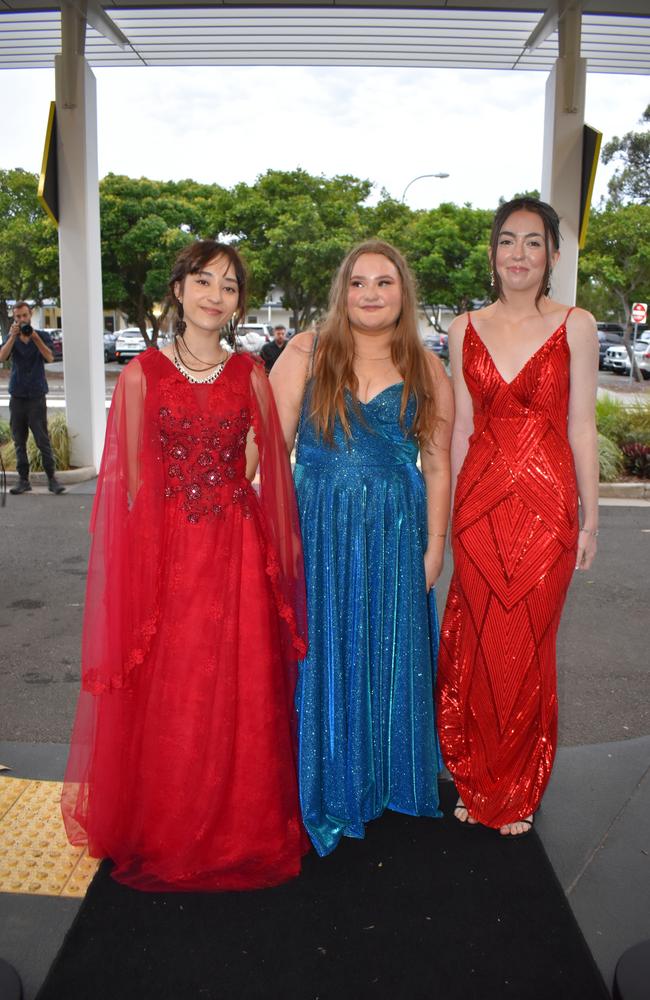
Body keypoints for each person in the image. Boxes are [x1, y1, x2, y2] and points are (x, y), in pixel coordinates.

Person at [62, 240, 308, 891]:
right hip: (170, 556)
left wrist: (219, 496)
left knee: (234, 686)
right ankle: (166, 824)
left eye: (229, 286)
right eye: (204, 281)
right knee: (173, 687)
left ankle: (236, 827)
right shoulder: (142, 372)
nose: (216, 295)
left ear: (238, 304)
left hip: (233, 555)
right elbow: (130, 480)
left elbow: (257, 462)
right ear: (178, 290)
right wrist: (160, 546)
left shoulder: (250, 372)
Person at [270, 240, 453, 856]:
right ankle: (322, 778)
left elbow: (438, 463)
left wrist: (435, 548)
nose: (371, 293)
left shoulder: (428, 367)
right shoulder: (306, 351)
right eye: (358, 282)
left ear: (404, 293)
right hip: (317, 530)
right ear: (341, 292)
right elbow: (267, 448)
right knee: (322, 645)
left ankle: (379, 780)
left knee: (383, 646)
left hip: (394, 536)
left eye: (384, 282)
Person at [437, 197, 599, 837]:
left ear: (553, 255)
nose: (520, 254)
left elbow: (581, 426)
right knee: (478, 642)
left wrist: (589, 520)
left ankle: (518, 785)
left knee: (527, 648)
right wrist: (447, 516)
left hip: (548, 505)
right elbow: (461, 430)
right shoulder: (462, 329)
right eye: (508, 241)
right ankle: (477, 778)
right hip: (478, 504)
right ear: (493, 252)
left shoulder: (577, 325)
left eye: (535, 242)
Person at [0, 302, 65, 494]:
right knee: (19, 440)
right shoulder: (11, 337)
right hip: (18, 395)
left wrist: (35, 338)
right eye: (18, 317)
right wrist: (12, 337)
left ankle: (52, 479)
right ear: (14, 318)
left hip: (36, 395)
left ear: (31, 315)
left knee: (42, 439)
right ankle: (23, 480)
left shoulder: (42, 336)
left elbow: (51, 358)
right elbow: (2, 357)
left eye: (24, 316)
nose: (21, 320)